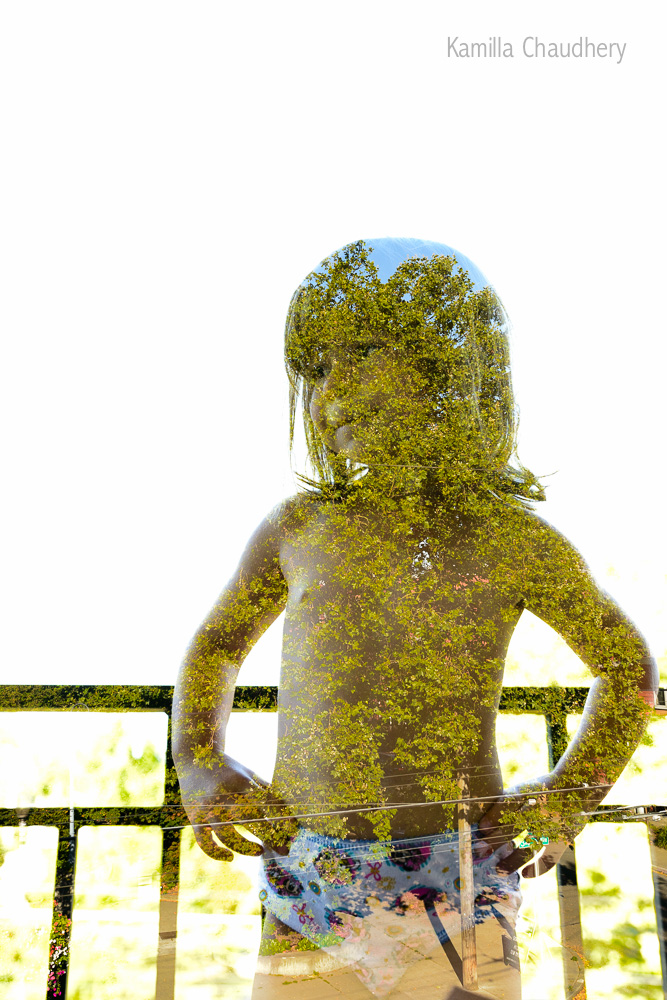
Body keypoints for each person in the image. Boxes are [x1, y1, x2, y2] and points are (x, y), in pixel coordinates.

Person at [172, 238, 658, 999]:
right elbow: (217, 647)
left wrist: (569, 796)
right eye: (317, 368)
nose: (333, 386)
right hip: (312, 876)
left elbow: (627, 668)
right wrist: (200, 761)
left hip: (461, 875)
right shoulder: (298, 529)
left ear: (450, 371)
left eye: (363, 353)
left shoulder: (510, 539)